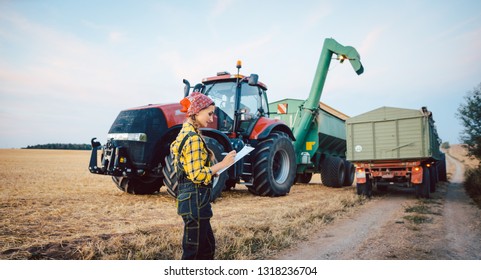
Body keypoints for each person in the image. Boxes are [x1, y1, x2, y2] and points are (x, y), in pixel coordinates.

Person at [170, 91, 236, 260]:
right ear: (197, 112)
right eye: (210, 113)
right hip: (196, 201)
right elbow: (197, 175)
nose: (212, 118)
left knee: (206, 248)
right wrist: (223, 164)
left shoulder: (185, 134)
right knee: (194, 253)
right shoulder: (192, 138)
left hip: (193, 200)